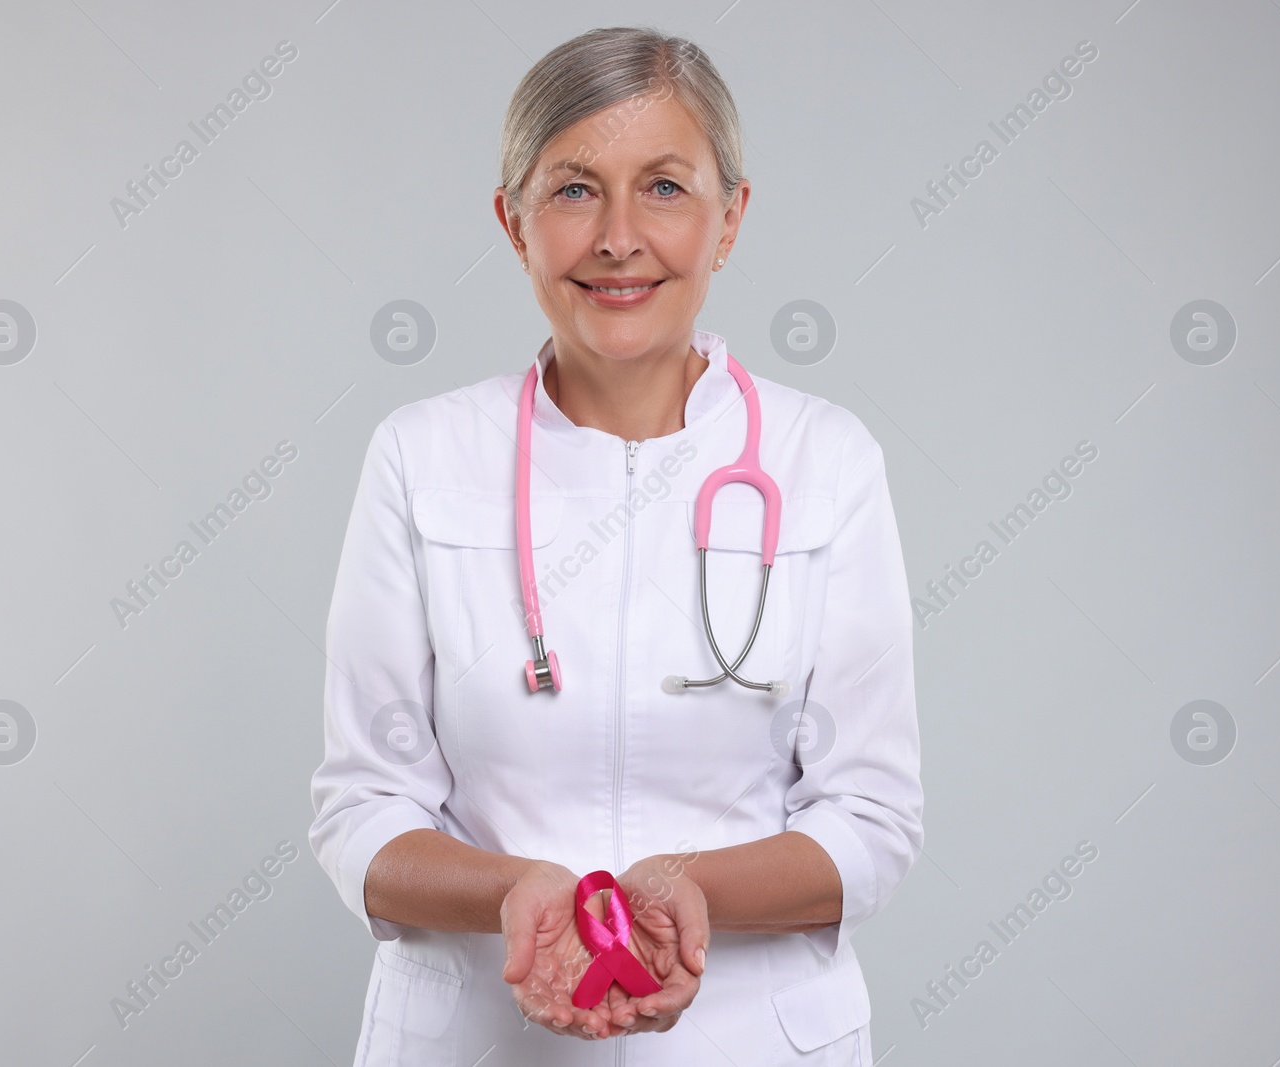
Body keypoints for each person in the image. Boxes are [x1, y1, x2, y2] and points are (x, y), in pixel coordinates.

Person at [308, 25, 923, 1065]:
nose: (619, 236)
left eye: (666, 188)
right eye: (574, 189)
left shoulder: (829, 461)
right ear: (513, 222)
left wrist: (688, 888)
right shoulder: (421, 456)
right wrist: (519, 894)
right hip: (476, 1035)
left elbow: (871, 815)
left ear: (730, 218)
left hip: (750, 1040)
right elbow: (360, 810)